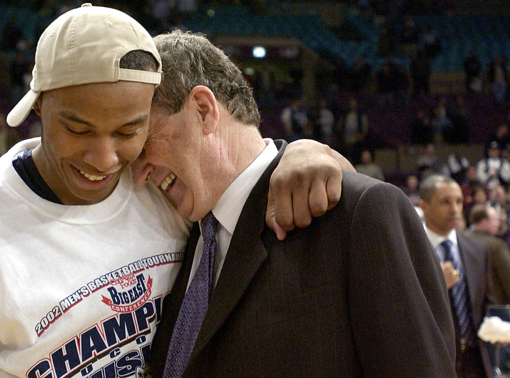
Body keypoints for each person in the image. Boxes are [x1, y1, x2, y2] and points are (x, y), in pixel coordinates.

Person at [0, 5, 351, 377]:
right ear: (39, 104)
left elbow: (254, 178)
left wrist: (302, 152)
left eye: (128, 131)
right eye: (77, 129)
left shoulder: (159, 187)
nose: (104, 159)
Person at [138, 30, 456, 377]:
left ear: (203, 110)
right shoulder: (179, 232)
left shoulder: (358, 212)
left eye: (145, 139)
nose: (139, 171)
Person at [419, 175, 495, 378]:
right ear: (423, 206)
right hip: (433, 361)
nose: (455, 209)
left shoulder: (478, 249)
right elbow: (401, 312)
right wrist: (438, 287)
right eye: (446, 202)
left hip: (475, 362)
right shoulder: (409, 252)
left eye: (459, 201)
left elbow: (486, 302)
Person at [465, 204, 510, 305]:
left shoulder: (460, 241)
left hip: (467, 306)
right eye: (494, 220)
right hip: (495, 307)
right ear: (484, 222)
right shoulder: (496, 246)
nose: (497, 224)